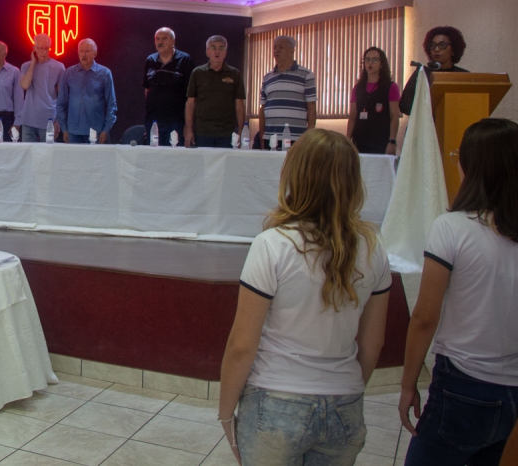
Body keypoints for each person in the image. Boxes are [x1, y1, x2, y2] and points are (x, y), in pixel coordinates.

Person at [219, 128, 391, 465]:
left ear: (295, 176)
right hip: (344, 402)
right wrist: (344, 389)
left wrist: (226, 413)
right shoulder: (373, 249)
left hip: (276, 400)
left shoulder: (273, 245)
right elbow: (374, 342)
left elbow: (241, 345)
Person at [398, 118, 518, 465]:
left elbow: (424, 317)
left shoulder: (452, 228)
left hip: (463, 383)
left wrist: (408, 384)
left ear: (473, 166)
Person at [184, 35, 246, 148]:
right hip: (202, 131)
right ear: (207, 52)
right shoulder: (197, 73)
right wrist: (189, 130)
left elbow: (239, 104)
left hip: (227, 132)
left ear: (225, 52)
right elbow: (190, 103)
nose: (217, 51)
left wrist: (241, 131)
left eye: (221, 48)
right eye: (213, 48)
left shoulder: (234, 74)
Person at [258, 35, 316, 148]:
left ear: (292, 50)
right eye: (274, 47)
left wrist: (309, 138)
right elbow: (263, 108)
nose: (277, 51)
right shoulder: (267, 78)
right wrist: (261, 135)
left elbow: (311, 107)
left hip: (297, 138)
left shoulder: (306, 75)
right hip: (270, 137)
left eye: (281, 47)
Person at [56, 38, 117, 144]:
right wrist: (64, 129)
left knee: (95, 156)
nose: (83, 55)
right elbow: (61, 103)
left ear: (95, 54)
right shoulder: (69, 73)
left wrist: (106, 130)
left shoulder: (104, 74)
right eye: (81, 51)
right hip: (73, 132)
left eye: (87, 51)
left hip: (96, 131)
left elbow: (111, 104)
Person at [400, 26, 469, 116]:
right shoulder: (422, 73)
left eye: (442, 45)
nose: (436, 49)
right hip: (426, 123)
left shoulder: (463, 76)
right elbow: (404, 105)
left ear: (453, 49)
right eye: (433, 45)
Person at [142, 27, 193, 146]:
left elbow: (191, 96)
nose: (160, 42)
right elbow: (147, 90)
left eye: (164, 39)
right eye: (157, 39)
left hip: (176, 122)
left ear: (173, 41)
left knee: (174, 156)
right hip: (153, 122)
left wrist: (188, 126)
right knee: (152, 156)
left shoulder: (185, 60)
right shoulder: (150, 60)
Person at [346, 47, 401, 155]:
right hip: (359, 141)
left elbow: (394, 116)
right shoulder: (358, 87)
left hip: (381, 142)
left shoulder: (391, 87)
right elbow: (352, 116)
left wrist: (392, 141)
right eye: (367, 59)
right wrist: (347, 140)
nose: (370, 63)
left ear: (381, 64)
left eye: (375, 60)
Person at [18, 33, 64, 142]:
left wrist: (58, 121)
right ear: (34, 48)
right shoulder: (26, 66)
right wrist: (33, 63)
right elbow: (24, 85)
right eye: (40, 48)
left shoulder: (58, 67)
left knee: (48, 152)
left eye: (47, 48)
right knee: (27, 152)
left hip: (49, 120)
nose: (44, 52)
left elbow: (62, 97)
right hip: (28, 120)